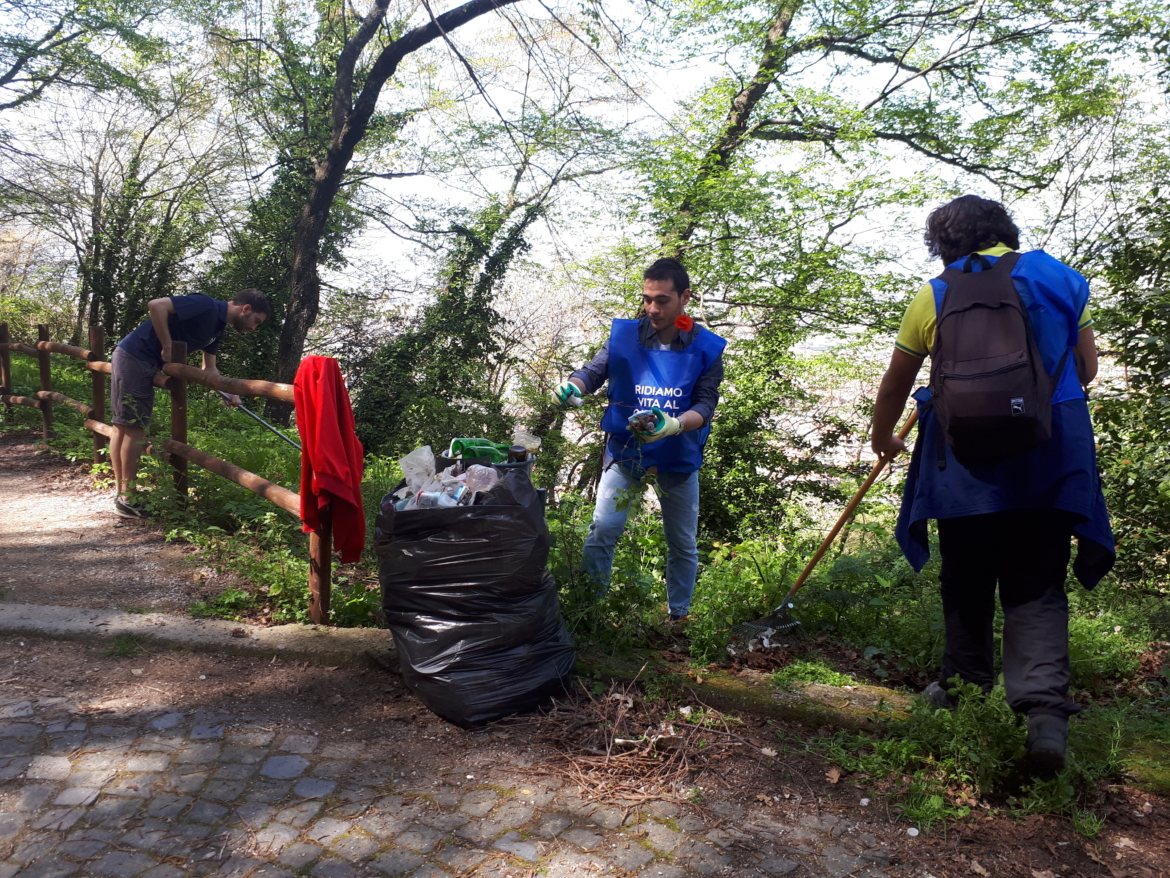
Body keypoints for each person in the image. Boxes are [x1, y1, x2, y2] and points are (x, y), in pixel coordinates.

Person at [870, 195, 1114, 775]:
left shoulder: (935, 293)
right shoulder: (1061, 279)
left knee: (968, 576)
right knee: (1037, 583)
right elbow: (1087, 368)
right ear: (1004, 230)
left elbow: (897, 380)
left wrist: (884, 437)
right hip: (1049, 457)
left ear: (944, 243)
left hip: (964, 464)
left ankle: (962, 691)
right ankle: (1044, 720)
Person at [551, 258, 726, 622]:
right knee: (603, 530)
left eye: (662, 300)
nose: (653, 308)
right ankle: (590, 611)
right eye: (647, 299)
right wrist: (573, 385)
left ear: (685, 298)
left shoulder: (707, 347)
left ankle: (679, 616)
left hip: (679, 451)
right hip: (625, 449)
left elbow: (706, 404)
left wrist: (675, 425)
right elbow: (592, 372)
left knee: (682, 542)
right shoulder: (625, 336)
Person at [110, 289, 270, 518]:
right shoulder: (205, 304)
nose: (253, 327)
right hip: (136, 357)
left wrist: (228, 392)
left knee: (123, 425)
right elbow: (156, 304)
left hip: (136, 360)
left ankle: (122, 495)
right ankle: (127, 497)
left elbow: (209, 369)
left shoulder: (217, 329)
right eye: (256, 321)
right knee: (132, 427)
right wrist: (166, 345)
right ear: (246, 308)